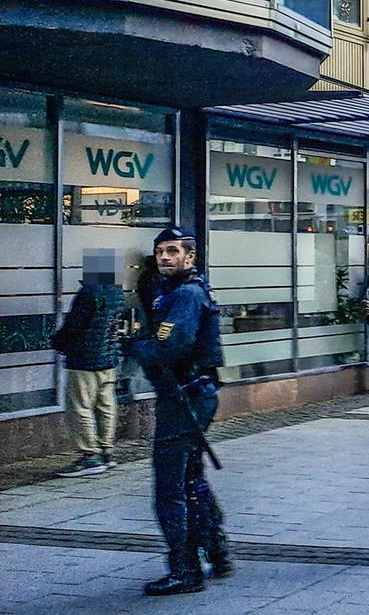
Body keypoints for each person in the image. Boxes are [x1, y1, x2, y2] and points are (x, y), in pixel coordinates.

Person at [122, 227, 229, 595]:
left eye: (172, 251)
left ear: (190, 256)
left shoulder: (185, 294)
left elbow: (171, 348)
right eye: (160, 252)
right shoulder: (181, 291)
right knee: (191, 478)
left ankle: (185, 568)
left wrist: (135, 346)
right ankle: (215, 550)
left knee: (170, 488)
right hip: (193, 394)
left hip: (184, 398)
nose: (165, 257)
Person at [51, 249, 128, 478]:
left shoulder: (89, 293)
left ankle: (89, 456)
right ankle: (106, 451)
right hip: (108, 359)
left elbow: (74, 325)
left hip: (84, 360)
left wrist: (58, 342)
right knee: (106, 405)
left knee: (81, 407)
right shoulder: (117, 293)